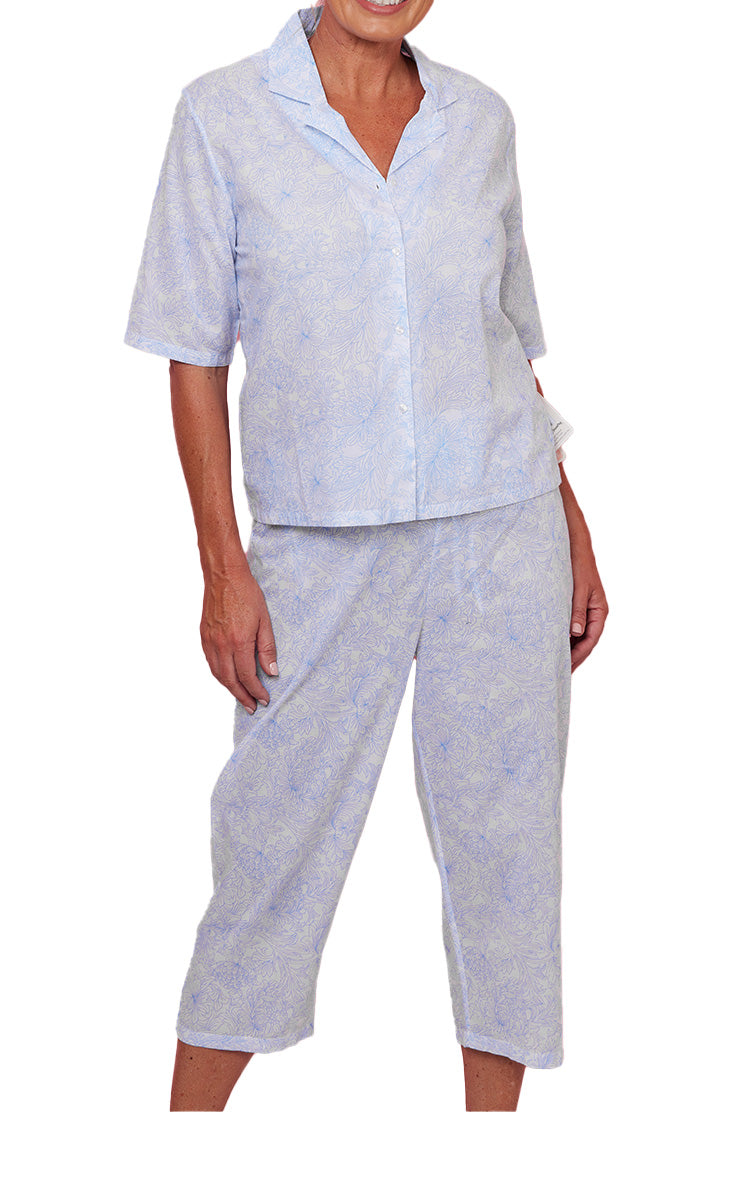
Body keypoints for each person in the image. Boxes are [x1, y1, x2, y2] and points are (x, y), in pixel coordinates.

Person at [124, 0, 608, 1112]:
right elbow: (193, 357)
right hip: (317, 542)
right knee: (269, 853)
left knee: (508, 855)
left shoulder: (481, 120)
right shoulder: (222, 116)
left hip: (503, 524)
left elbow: (505, 338)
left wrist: (571, 516)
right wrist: (222, 570)